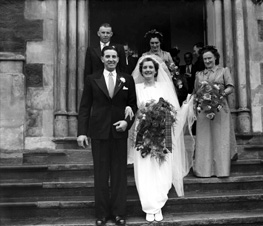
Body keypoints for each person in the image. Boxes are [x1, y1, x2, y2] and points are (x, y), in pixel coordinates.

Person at [77, 46, 137, 226]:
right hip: (99, 132)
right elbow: (85, 107)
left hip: (119, 133)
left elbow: (133, 105)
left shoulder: (127, 79)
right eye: (108, 56)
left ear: (118, 59)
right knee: (101, 174)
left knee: (119, 174)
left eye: (114, 57)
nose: (111, 59)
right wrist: (82, 132)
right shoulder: (92, 79)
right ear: (102, 59)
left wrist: (127, 122)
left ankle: (119, 213)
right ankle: (101, 214)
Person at [129, 55, 192, 222]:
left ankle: (159, 202)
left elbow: (172, 110)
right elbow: (134, 110)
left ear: (156, 70)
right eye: (145, 68)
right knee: (145, 168)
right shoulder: (136, 88)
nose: (148, 70)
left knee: (161, 166)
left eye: (151, 67)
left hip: (162, 132)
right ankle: (149, 206)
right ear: (141, 71)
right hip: (143, 132)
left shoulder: (164, 86)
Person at [193, 45, 237, 178]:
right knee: (204, 139)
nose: (207, 61)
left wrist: (219, 94)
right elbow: (195, 92)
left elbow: (231, 87)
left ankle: (221, 170)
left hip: (220, 108)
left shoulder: (224, 71)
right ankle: (204, 170)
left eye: (209, 58)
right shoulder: (199, 74)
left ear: (215, 58)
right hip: (204, 111)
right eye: (205, 59)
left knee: (220, 137)